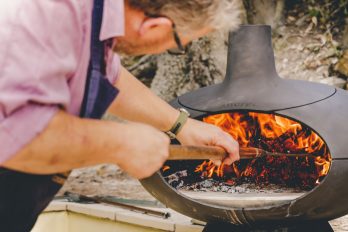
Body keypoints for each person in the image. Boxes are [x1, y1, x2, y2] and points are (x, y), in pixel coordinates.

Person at [0, 0, 241, 231]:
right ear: (154, 26)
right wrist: (121, 143)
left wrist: (181, 125)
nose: (172, 48)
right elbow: (19, 134)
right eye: (179, 44)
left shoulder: (95, 16)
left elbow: (107, 76)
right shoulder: (45, 14)